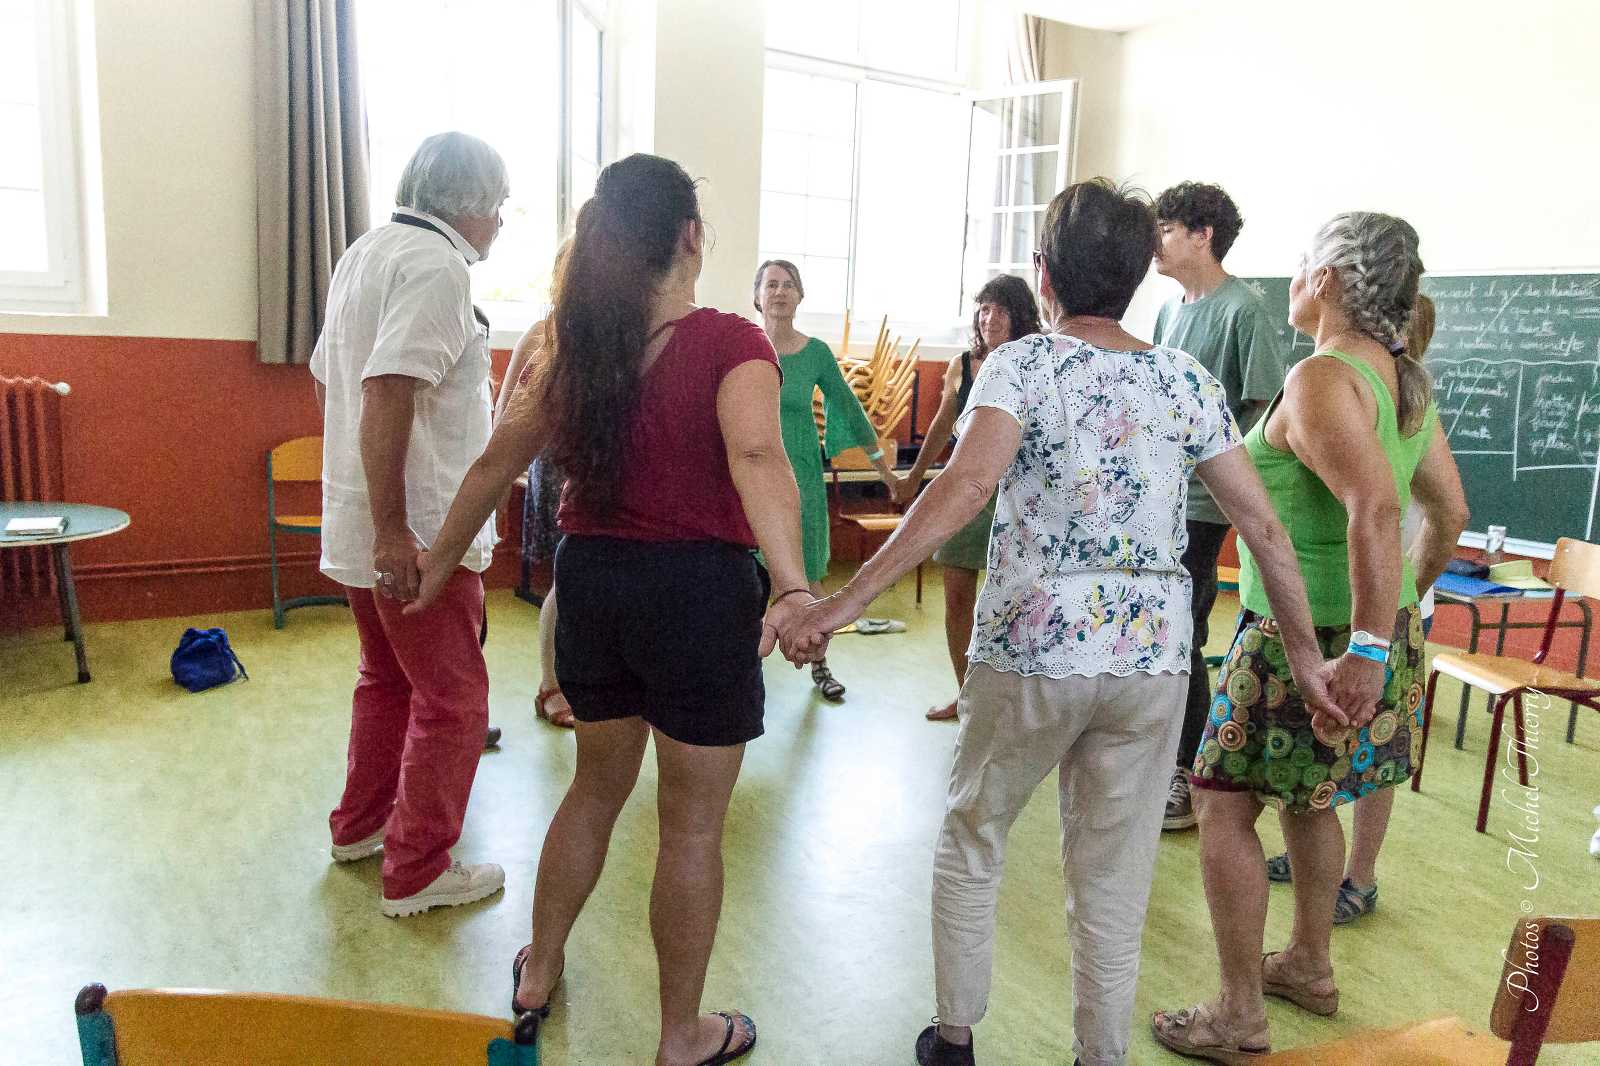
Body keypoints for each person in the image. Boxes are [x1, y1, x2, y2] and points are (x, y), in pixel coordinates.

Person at [782, 179, 1337, 1066]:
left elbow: (966, 485)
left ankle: (954, 1038)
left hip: (1034, 649)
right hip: (1152, 659)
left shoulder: (1023, 365)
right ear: (1139, 275)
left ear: (1043, 274)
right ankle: (1098, 1056)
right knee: (1113, 872)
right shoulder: (1184, 378)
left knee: (976, 830)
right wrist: (1307, 659)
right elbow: (1265, 529)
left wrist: (844, 602)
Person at [411, 153, 815, 1066]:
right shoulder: (731, 342)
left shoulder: (573, 341)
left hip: (591, 585)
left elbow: (495, 463)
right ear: (690, 237)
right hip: (696, 595)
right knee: (692, 827)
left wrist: (436, 568)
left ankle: (538, 971)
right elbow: (758, 459)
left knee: (594, 790)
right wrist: (793, 586)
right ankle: (681, 1035)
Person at [1154, 214, 1468, 1061]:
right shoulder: (1400, 380)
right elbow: (1450, 512)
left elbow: (1378, 507)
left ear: (1327, 280)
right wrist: (1396, 615)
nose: (1292, 279)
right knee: (1310, 799)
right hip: (1364, 632)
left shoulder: (1322, 377)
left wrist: (1364, 646)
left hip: (1306, 638)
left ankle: (1238, 1014)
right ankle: (1309, 966)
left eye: (1301, 265)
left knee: (1221, 805)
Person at [310, 131, 510, 917]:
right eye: (498, 205)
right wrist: (395, 527)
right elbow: (388, 388)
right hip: (421, 533)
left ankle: (360, 826)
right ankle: (418, 868)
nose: (500, 221)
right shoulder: (437, 267)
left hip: (363, 519)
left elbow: (329, 382)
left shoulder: (365, 253)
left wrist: (365, 505)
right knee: (454, 701)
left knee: (386, 678)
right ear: (469, 203)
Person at [1261, 294, 1444, 924]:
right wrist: (1405, 596)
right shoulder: (1406, 399)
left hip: (1342, 614)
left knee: (1335, 759)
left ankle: (1351, 879)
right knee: (1362, 755)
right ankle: (1340, 869)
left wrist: (1391, 603)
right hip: (1385, 609)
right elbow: (1450, 513)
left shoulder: (1343, 387)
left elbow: (1382, 508)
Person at [1151, 181, 1290, 831]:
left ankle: (1189, 773)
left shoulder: (1244, 311)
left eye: (1167, 230)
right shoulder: (1168, 312)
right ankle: (1161, 758)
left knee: (1184, 633)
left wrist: (1223, 474)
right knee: (1158, 628)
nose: (1156, 242)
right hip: (1157, 495)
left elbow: (1265, 407)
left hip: (1205, 503)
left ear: (1203, 236)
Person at [894, 274, 1041, 721]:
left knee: (1016, 602)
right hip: (966, 493)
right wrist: (914, 476)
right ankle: (966, 695)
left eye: (1001, 309)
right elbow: (943, 425)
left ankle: (1017, 700)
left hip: (1017, 495)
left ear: (1020, 315)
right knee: (958, 596)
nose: (989, 318)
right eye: (984, 309)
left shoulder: (1035, 360)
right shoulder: (962, 365)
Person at [754, 259, 900, 702]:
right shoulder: (743, 346)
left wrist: (884, 471)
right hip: (751, 482)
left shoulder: (815, 353)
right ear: (757, 296)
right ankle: (739, 671)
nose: (780, 292)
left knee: (809, 578)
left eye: (789, 285)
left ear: (800, 296)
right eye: (771, 284)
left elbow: (849, 408)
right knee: (746, 582)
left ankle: (819, 664)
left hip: (802, 483)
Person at [497, 268, 575, 731]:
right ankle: (550, 685)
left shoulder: (621, 330)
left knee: (589, 584)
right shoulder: (540, 335)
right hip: (557, 470)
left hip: (600, 469)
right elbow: (507, 410)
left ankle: (583, 681)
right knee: (565, 582)